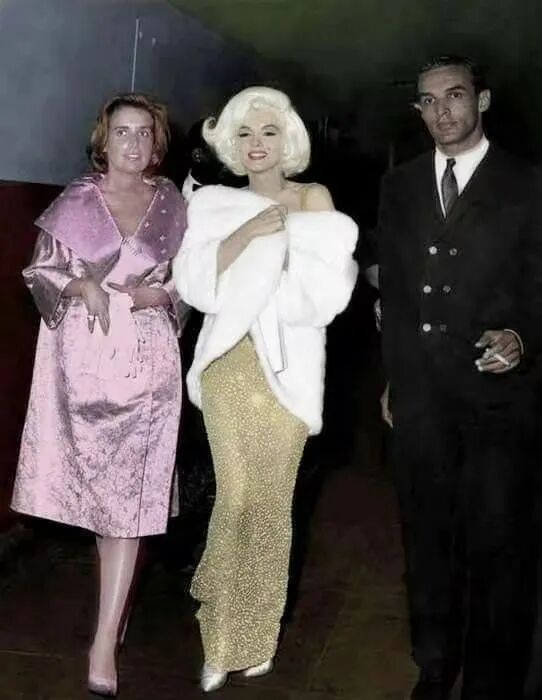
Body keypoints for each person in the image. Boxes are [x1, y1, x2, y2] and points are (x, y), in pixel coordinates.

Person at [172, 86, 358, 692]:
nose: (257, 144)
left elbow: (325, 297)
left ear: (289, 139)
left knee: (272, 506)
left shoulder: (313, 198)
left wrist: (272, 254)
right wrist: (250, 232)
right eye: (245, 134)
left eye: (269, 132)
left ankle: (256, 634)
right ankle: (221, 640)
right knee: (235, 498)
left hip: (290, 371)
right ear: (231, 142)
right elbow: (196, 283)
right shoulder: (212, 204)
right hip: (228, 361)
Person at [376, 56, 542, 700]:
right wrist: (393, 379)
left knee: (498, 546)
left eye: (454, 95)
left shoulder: (527, 184)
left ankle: (493, 682)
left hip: (498, 403)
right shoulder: (400, 185)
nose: (440, 111)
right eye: (427, 100)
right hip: (421, 400)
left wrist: (522, 336)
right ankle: (435, 665)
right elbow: (396, 291)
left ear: (483, 100)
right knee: (427, 540)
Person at [11, 93, 187, 697]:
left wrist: (164, 296)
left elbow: (193, 280)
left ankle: (104, 640)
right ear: (103, 141)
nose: (133, 144)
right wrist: (80, 285)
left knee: (129, 504)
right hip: (83, 364)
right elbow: (39, 271)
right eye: (122, 133)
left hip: (149, 362)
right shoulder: (77, 201)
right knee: (103, 505)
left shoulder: (173, 203)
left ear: (157, 143)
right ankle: (118, 604)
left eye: (144, 133)